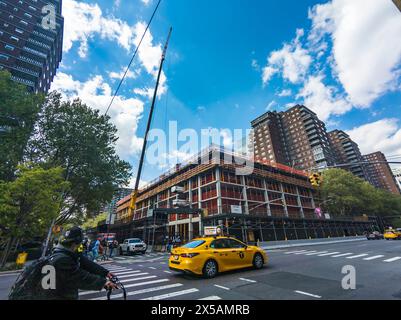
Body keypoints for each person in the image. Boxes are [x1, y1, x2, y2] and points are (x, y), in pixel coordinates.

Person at [43, 227, 117, 300]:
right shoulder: (63, 260)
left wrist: (105, 272)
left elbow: (86, 262)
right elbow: (79, 278)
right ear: (76, 242)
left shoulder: (65, 253)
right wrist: (103, 282)